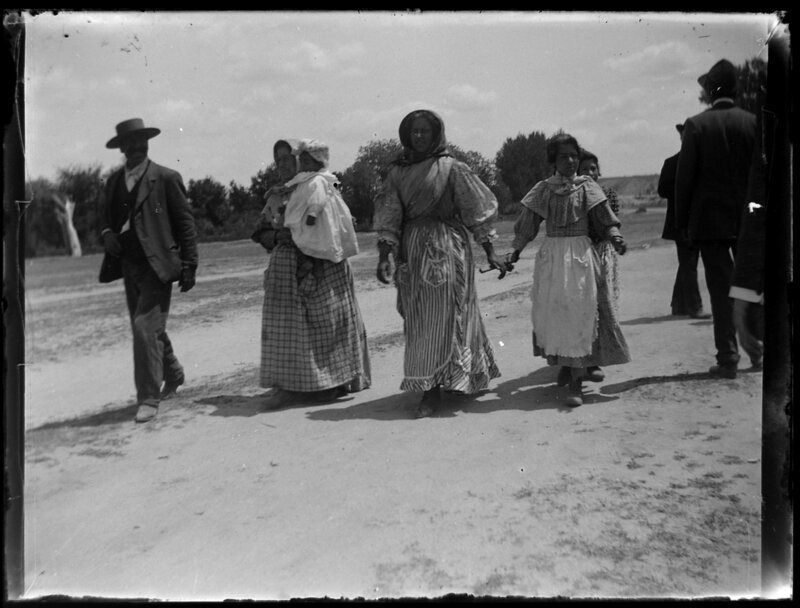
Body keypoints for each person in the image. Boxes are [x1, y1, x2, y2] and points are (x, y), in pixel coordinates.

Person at [373, 109, 506, 418]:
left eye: (425, 130)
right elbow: (389, 214)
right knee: (420, 319)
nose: (419, 136)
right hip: (412, 250)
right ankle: (433, 382)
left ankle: (437, 389)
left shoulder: (451, 168)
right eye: (414, 131)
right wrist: (384, 256)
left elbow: (476, 210)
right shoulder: (397, 173)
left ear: (436, 134)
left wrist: (490, 251)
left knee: (450, 315)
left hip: (448, 247)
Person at [506, 133, 628, 407]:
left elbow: (605, 217)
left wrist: (615, 236)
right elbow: (528, 224)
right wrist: (514, 251)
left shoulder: (587, 187)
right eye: (564, 156)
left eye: (574, 155)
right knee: (556, 313)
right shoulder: (544, 189)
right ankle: (565, 363)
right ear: (554, 160)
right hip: (552, 258)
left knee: (581, 313)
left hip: (580, 256)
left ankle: (576, 382)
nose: (571, 161)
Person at [253, 139, 371, 408]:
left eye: (288, 158)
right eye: (278, 160)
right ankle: (292, 386)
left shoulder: (323, 185)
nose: (282, 164)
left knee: (327, 323)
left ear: (301, 157)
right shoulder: (278, 194)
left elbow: (339, 222)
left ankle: (332, 383)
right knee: (288, 329)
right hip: (286, 269)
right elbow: (260, 231)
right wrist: (277, 236)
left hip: (324, 266)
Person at [99, 118, 198, 423]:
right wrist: (107, 233)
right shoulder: (113, 182)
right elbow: (104, 218)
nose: (136, 147)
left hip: (159, 266)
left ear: (147, 143)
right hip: (128, 265)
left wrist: (190, 264)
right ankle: (174, 374)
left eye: (141, 141)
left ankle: (148, 398)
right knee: (149, 328)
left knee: (144, 326)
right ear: (122, 148)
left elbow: (184, 222)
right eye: (130, 143)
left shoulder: (165, 178)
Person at [675, 58, 757, 379]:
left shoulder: (696, 125)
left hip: (710, 225)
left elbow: (684, 180)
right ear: (737, 89)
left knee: (721, 292)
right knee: (751, 287)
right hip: (750, 222)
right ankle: (758, 352)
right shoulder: (753, 123)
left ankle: (728, 358)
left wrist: (683, 223)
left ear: (709, 92)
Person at [575, 149, 631, 385]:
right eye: (584, 169)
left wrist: (615, 240)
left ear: (599, 171)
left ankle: (596, 358)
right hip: (581, 254)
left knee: (604, 304)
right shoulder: (573, 196)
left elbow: (611, 222)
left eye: (593, 168)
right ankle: (580, 362)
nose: (590, 173)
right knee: (584, 306)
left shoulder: (607, 194)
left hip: (603, 253)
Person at [657, 124, 710, 319]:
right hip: (680, 222)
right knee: (689, 264)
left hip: (698, 221)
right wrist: (684, 188)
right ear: (681, 139)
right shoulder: (672, 162)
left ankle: (678, 305)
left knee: (687, 264)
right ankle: (695, 308)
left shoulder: (703, 162)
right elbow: (662, 190)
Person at [283, 138, 359, 267]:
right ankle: (309, 261)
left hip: (318, 217)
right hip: (306, 212)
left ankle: (312, 263)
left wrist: (313, 213)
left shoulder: (317, 179)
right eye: (301, 162)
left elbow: (318, 198)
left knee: (315, 240)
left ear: (319, 163)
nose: (303, 166)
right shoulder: (306, 179)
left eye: (307, 163)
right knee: (307, 238)